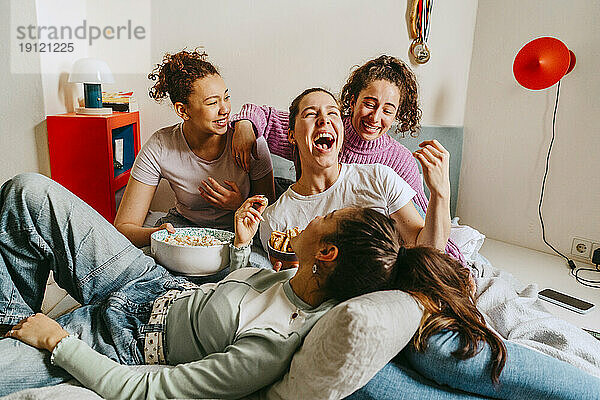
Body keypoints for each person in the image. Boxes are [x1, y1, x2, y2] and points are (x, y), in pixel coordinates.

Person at [2, 175, 599, 400]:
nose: (312, 217)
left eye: (324, 220)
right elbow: (235, 292)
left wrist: (59, 342)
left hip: (121, 342)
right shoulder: (296, 275)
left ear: (328, 252)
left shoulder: (276, 342)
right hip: (146, 281)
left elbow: (150, 391)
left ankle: (17, 329)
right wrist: (239, 247)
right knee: (28, 192)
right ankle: (11, 314)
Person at [229, 54, 464, 264]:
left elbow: (427, 235)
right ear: (351, 104)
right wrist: (244, 126)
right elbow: (262, 115)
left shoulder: (387, 171)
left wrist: (453, 263)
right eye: (369, 104)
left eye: (387, 110)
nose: (375, 117)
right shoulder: (277, 216)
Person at [259, 87, 451, 269]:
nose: (324, 120)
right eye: (310, 114)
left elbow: (427, 252)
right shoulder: (274, 218)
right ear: (291, 135)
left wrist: (440, 193)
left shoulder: (379, 178)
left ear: (341, 130)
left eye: (333, 113)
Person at [113, 49, 275, 249]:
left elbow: (271, 222)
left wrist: (239, 206)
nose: (225, 109)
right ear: (183, 110)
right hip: (184, 229)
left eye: (226, 97)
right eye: (212, 102)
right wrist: (158, 235)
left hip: (240, 231)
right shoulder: (160, 145)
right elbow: (124, 227)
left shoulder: (250, 141)